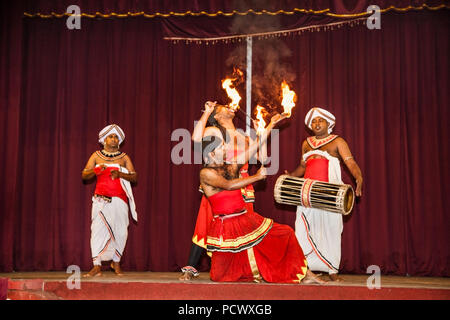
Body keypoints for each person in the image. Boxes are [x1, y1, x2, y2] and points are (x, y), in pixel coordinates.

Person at [199, 115, 324, 284]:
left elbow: (254, 148)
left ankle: (305, 273)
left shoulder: (230, 164)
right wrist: (256, 177)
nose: (226, 149)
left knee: (285, 232)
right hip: (226, 226)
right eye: (222, 147)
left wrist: (270, 125)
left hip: (245, 218)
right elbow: (228, 185)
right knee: (220, 277)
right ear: (212, 152)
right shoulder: (206, 173)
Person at [180, 101, 260, 280]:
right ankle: (191, 266)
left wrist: (259, 133)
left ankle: (249, 268)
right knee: (205, 223)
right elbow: (195, 139)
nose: (229, 107)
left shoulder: (244, 136)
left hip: (243, 184)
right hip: (220, 185)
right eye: (223, 107)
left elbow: (261, 158)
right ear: (217, 117)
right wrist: (207, 112)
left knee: (246, 227)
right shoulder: (214, 131)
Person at [285, 107, 363, 281]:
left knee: (331, 229)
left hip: (329, 194)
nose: (317, 123)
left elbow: (350, 163)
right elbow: (303, 167)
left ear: (329, 124)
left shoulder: (337, 141)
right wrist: (289, 176)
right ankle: (306, 269)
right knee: (304, 230)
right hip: (307, 194)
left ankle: (332, 271)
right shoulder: (306, 143)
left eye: (320, 120)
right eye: (313, 121)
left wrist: (358, 177)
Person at [81, 124, 138, 277]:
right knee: (98, 232)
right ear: (103, 140)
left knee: (120, 232)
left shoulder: (124, 157)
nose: (113, 139)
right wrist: (96, 170)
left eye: (116, 137)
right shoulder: (96, 156)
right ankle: (96, 266)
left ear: (119, 141)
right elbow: (84, 175)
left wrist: (120, 175)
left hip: (120, 200)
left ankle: (116, 263)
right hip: (101, 200)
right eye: (110, 136)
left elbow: (134, 176)